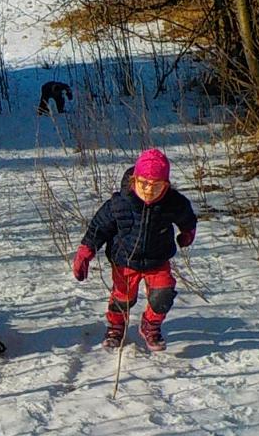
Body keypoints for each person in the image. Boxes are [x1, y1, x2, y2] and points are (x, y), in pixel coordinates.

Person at [71, 148, 197, 351]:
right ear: (134, 180)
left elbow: (188, 219)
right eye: (144, 183)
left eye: (156, 186)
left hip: (157, 260)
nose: (149, 190)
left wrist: (187, 234)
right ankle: (116, 327)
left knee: (163, 295)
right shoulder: (119, 203)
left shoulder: (173, 202)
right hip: (125, 260)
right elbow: (98, 228)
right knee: (123, 297)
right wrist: (85, 252)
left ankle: (150, 325)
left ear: (166, 185)